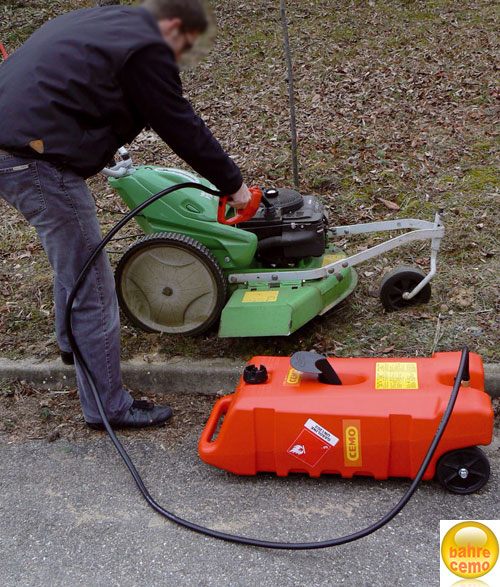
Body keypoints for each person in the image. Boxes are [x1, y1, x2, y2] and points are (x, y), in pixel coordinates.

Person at [0, 0, 251, 430]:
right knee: (92, 283)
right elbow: (179, 123)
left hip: (16, 143)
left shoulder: (106, 21)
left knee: (74, 263)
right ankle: (107, 408)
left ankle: (72, 346)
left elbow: (76, 81)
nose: (185, 56)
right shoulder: (148, 47)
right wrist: (235, 187)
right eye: (188, 45)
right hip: (34, 160)